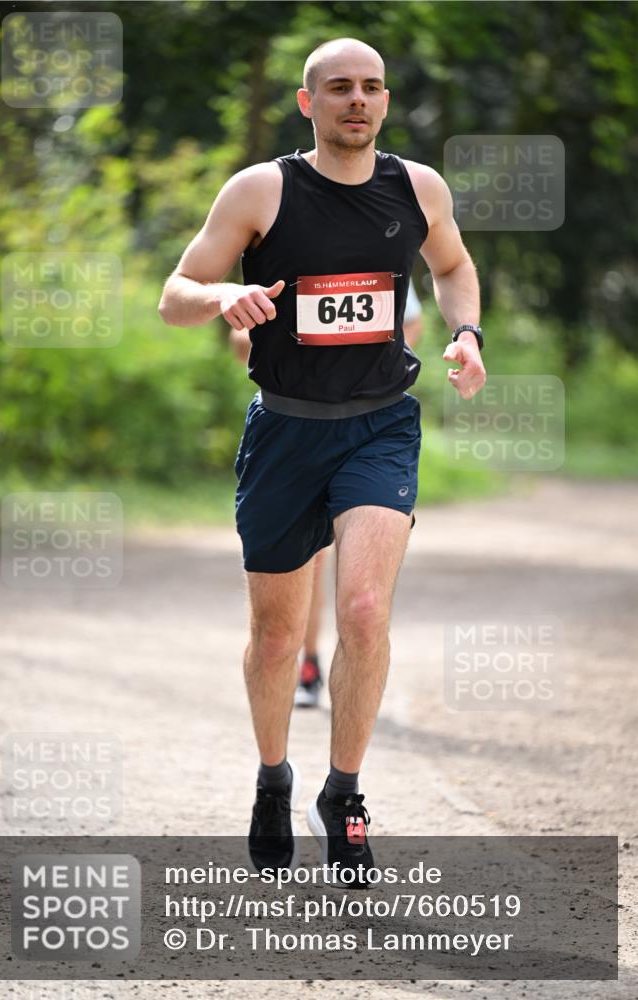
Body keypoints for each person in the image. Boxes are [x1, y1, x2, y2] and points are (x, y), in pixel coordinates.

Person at [159, 37, 486, 885]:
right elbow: (174, 294)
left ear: (385, 102)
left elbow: (451, 265)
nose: (357, 100)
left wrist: (466, 333)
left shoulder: (417, 188)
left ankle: (344, 795)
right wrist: (221, 294)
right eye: (338, 87)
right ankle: (275, 779)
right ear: (308, 103)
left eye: (371, 88)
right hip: (284, 430)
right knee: (274, 640)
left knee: (366, 608)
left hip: (380, 425)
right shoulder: (262, 189)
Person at [228, 281, 425, 709]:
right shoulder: (286, 247)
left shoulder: (383, 241)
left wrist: (369, 369)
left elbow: (412, 321)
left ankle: (349, 661)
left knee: (361, 581)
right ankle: (310, 661)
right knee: (309, 559)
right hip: (295, 423)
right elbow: (240, 339)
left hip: (367, 424)